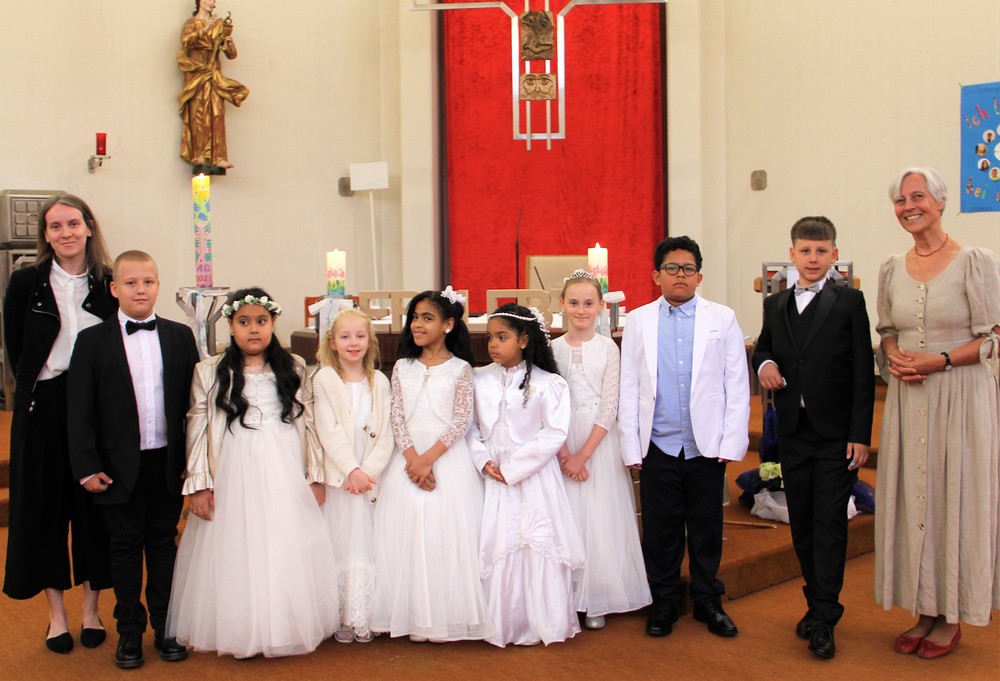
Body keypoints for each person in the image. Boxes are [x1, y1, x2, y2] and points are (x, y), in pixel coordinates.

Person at [166, 288, 339, 658]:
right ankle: (241, 628)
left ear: (273, 322)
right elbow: (196, 429)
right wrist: (199, 484)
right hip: (233, 466)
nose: (253, 329)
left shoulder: (294, 366)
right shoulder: (208, 370)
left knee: (283, 542)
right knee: (237, 546)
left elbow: (309, 423)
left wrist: (315, 475)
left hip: (284, 465)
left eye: (261, 321)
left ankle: (282, 624)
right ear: (231, 326)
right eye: (243, 322)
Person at [874, 167, 1000, 660]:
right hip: (910, 399)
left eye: (918, 196)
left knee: (954, 499)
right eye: (900, 199)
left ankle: (952, 615)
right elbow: (887, 330)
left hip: (960, 398)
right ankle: (924, 608)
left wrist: (940, 360)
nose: (908, 206)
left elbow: (992, 339)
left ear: (941, 202)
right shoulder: (891, 267)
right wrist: (893, 354)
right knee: (917, 500)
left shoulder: (974, 261)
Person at [67, 251, 199, 669]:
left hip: (167, 461)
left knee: (163, 544)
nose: (140, 290)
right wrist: (86, 466)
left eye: (148, 282)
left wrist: (193, 460)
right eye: (130, 283)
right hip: (115, 466)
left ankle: (166, 626)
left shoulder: (180, 337)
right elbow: (80, 410)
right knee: (123, 549)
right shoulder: (92, 341)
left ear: (158, 285)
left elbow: (194, 406)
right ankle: (128, 631)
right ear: (114, 289)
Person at [751, 217, 875, 659]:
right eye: (805, 251)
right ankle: (816, 603)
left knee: (829, 525)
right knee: (802, 522)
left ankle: (825, 616)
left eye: (821, 251)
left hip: (836, 435)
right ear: (792, 254)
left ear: (834, 255)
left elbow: (863, 372)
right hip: (794, 432)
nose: (813, 258)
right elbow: (765, 348)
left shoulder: (850, 302)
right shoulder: (776, 303)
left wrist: (860, 433)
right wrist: (764, 364)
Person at [619, 236, 750, 639]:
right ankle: (665, 600)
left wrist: (731, 441)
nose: (681, 275)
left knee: (706, 527)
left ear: (699, 276)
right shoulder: (639, 320)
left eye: (688, 269)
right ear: (656, 275)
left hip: (705, 445)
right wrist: (631, 443)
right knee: (661, 529)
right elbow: (629, 385)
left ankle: (709, 600)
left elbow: (736, 383)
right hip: (658, 443)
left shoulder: (722, 318)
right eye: (672, 268)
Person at [2, 194, 115, 654]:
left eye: (72, 223)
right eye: (55, 226)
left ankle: (90, 610)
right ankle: (56, 617)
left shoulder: (108, 282)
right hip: (44, 405)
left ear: (89, 227)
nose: (65, 233)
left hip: (95, 406)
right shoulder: (26, 282)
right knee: (43, 511)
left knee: (93, 511)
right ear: (45, 236)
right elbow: (16, 349)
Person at [370, 289, 492, 642]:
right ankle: (411, 614)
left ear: (448, 324)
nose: (418, 324)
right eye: (415, 317)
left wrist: (428, 459)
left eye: (427, 318)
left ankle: (444, 615)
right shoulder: (402, 367)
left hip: (445, 457)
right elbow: (396, 416)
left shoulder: (460, 369)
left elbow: (461, 420)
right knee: (406, 530)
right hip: (407, 458)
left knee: (443, 531)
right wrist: (413, 460)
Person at [469, 303, 585, 647]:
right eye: (490, 337)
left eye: (501, 337)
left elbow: (553, 433)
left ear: (523, 340)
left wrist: (513, 469)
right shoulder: (479, 379)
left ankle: (540, 619)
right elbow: (469, 427)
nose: (493, 344)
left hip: (532, 475)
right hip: (491, 473)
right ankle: (500, 622)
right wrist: (483, 460)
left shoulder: (550, 384)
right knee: (498, 542)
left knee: (535, 544)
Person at [552, 270, 651, 630]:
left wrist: (582, 456)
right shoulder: (552, 349)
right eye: (574, 302)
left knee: (599, 515)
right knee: (567, 514)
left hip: (598, 441)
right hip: (561, 436)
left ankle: (596, 596)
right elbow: (549, 401)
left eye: (588, 303)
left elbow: (610, 406)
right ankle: (566, 594)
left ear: (599, 307)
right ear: (562, 304)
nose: (581, 310)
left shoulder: (608, 348)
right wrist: (564, 453)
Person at [312, 308, 393, 644]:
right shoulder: (324, 379)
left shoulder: (380, 381)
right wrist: (352, 470)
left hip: (370, 480)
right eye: (345, 337)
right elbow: (327, 429)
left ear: (370, 341)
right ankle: (341, 615)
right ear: (332, 342)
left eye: (360, 336)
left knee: (368, 542)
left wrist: (368, 473)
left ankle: (365, 613)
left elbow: (386, 433)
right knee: (342, 541)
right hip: (341, 477)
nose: (353, 343)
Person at [177, 0, 249, 170]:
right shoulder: (191, 23)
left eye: (214, 1)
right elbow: (186, 42)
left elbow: (231, 55)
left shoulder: (219, 25)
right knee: (198, 113)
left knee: (217, 113)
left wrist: (229, 44)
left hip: (214, 74)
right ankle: (199, 154)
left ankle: (219, 156)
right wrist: (205, 29)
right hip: (197, 73)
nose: (212, 3)